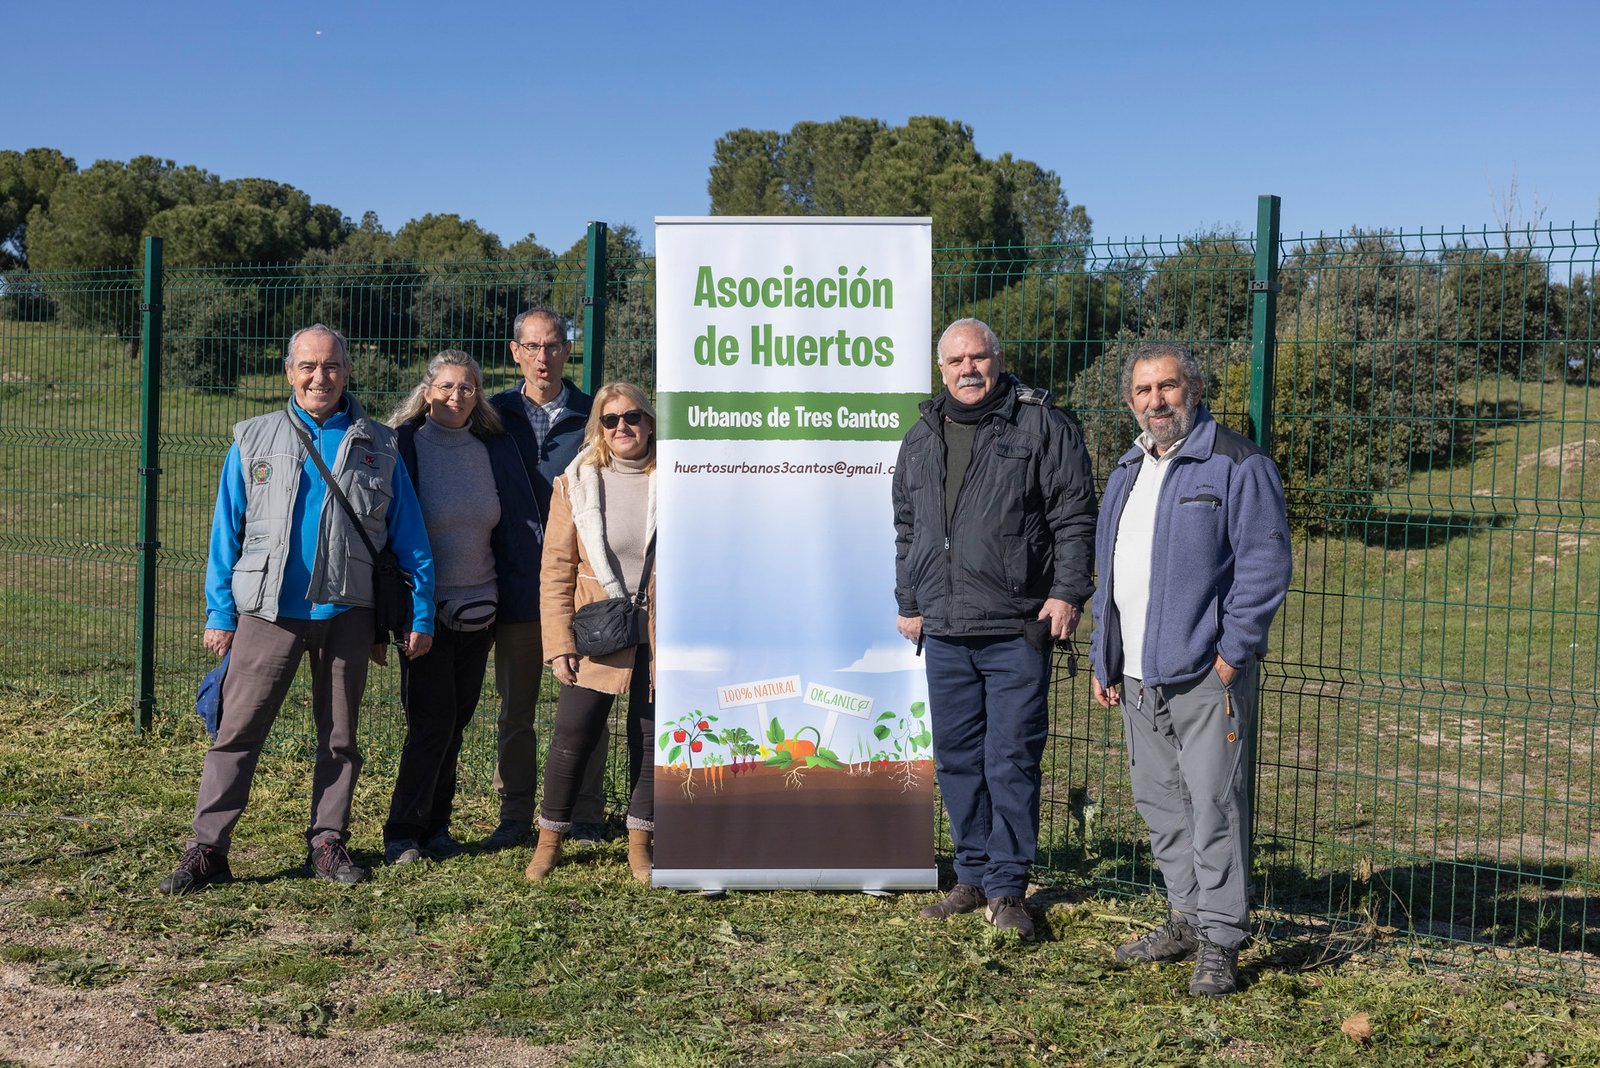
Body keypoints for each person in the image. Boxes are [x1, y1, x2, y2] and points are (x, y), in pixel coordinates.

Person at [158, 324, 435, 894]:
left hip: (348, 613)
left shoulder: (381, 444)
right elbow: (226, 531)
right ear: (289, 372)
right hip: (267, 613)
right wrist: (220, 613)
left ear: (347, 371)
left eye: (331, 365)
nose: (319, 377)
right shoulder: (253, 438)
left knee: (340, 738)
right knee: (236, 732)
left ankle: (327, 843)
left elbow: (410, 539)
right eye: (307, 366)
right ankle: (208, 848)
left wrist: (421, 613)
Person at [1089, 342, 1293, 996]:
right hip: (1137, 677)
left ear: (1194, 390)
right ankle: (1186, 919)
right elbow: (1110, 574)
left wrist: (1233, 654)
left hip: (1206, 674)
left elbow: (1264, 565)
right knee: (1162, 805)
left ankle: (1222, 941)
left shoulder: (1237, 463)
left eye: (1168, 387)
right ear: (1131, 402)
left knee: (1213, 808)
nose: (1156, 401)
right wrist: (1105, 655)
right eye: (1143, 391)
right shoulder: (1126, 471)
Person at [892, 318, 1097, 941]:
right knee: (957, 759)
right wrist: (909, 599)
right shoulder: (921, 436)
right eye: (956, 361)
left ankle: (1008, 887)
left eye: (979, 357)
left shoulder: (1042, 425)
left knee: (1010, 758)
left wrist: (1067, 591)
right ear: (941, 369)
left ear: (999, 360)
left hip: (1015, 625)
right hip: (944, 627)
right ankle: (972, 876)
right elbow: (908, 527)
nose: (969, 369)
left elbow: (1074, 516)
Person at [382, 350, 541, 864]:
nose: (456, 396)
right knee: (430, 724)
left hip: (481, 612)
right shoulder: (403, 446)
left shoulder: (492, 448)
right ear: (427, 391)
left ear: (478, 394)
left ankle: (437, 828)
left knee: (456, 724)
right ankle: (402, 831)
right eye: (447, 386)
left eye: (467, 387)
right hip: (425, 612)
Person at [482, 308, 609, 850]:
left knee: (585, 707)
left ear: (566, 350)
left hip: (579, 589)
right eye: (532, 347)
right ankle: (514, 813)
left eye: (553, 346)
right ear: (515, 352)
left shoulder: (593, 415)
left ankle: (585, 813)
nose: (543, 357)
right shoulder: (491, 415)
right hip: (514, 585)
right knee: (516, 711)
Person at [525, 381, 657, 883]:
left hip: (659, 631)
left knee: (651, 737)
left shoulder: (677, 479)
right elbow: (556, 570)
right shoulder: (575, 483)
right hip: (597, 628)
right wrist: (559, 645)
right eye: (610, 419)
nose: (622, 427)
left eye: (632, 416)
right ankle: (548, 843)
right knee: (571, 738)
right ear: (599, 427)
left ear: (649, 422)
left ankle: (640, 845)